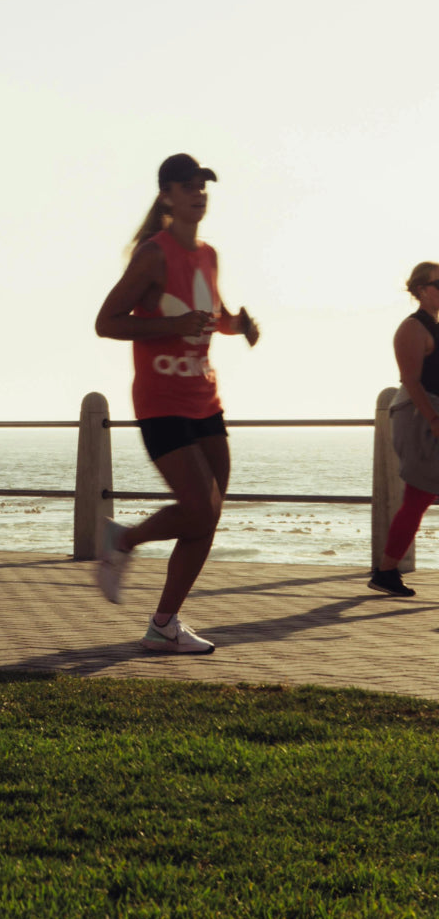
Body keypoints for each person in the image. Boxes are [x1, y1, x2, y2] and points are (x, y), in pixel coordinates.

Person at [94, 154, 260, 654]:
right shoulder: (154, 254)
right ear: (166, 194)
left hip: (205, 398)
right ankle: (122, 541)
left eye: (203, 187)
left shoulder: (208, 254)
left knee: (208, 516)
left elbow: (211, 314)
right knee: (196, 507)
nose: (199, 194)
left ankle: (164, 623)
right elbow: (107, 322)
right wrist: (173, 325)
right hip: (161, 400)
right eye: (188, 187)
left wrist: (238, 325)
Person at [372, 262, 439, 596]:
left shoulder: (436, 327)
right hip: (418, 416)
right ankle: (385, 571)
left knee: (418, 498)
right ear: (421, 289)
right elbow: (411, 381)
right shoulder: (413, 328)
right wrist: (433, 419)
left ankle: (385, 572)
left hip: (429, 413)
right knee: (418, 497)